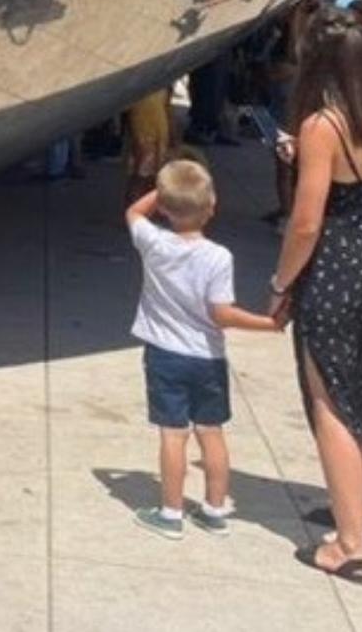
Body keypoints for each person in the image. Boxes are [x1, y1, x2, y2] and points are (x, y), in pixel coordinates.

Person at [265, 8, 362, 584]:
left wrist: (280, 283)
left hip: (336, 272)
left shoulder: (324, 124)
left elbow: (305, 223)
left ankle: (348, 544)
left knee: (330, 404)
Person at [124, 160, 280, 540]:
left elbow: (132, 212)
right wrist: (268, 323)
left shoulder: (154, 242)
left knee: (172, 433)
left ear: (163, 205)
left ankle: (171, 511)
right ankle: (213, 508)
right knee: (211, 432)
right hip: (207, 357)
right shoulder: (218, 257)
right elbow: (221, 313)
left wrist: (161, 193)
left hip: (164, 354)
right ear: (212, 205)